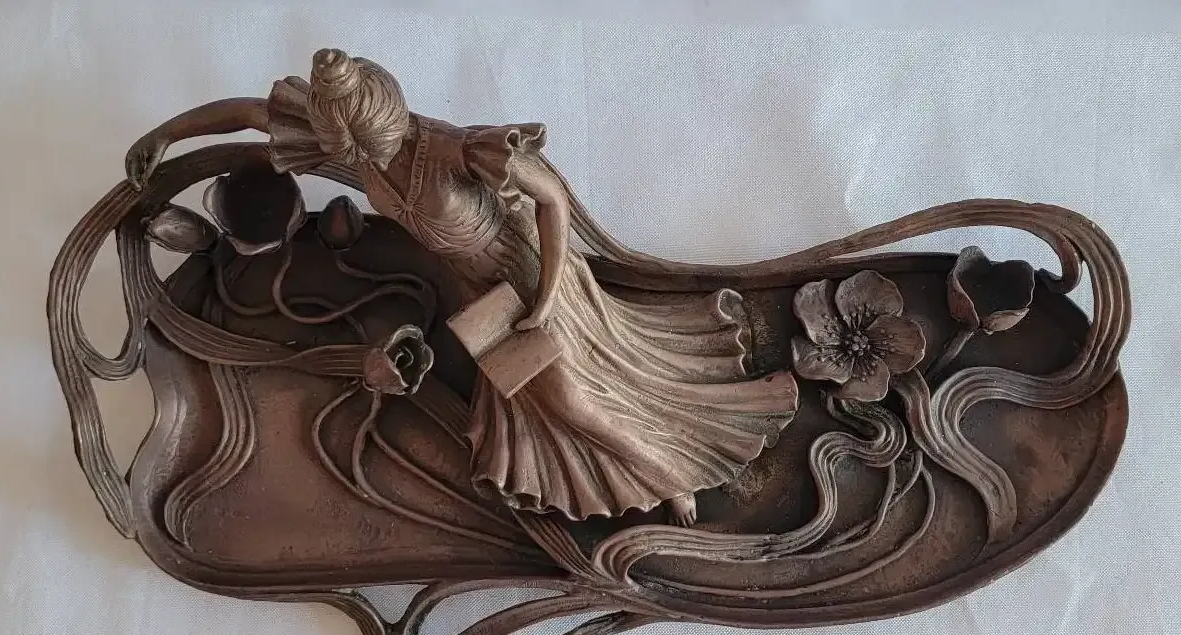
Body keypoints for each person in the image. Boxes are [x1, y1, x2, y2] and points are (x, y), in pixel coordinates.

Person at [125, 48, 798, 526]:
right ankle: (655, 468)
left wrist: (548, 294)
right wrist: (165, 134)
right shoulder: (355, 143)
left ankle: (677, 476)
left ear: (391, 117)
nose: (364, 163)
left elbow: (551, 200)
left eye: (371, 148)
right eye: (354, 154)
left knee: (571, 400)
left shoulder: (456, 148)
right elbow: (250, 112)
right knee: (547, 405)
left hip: (524, 273)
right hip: (477, 294)